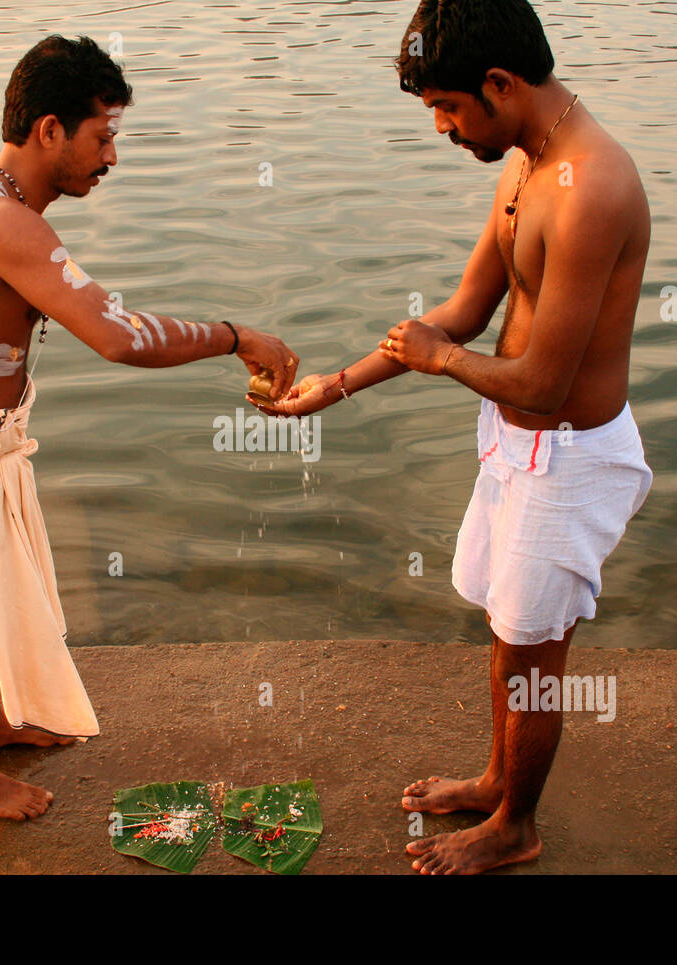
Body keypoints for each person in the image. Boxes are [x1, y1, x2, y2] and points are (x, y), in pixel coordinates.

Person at [254, 0, 653, 873]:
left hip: (569, 456)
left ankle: (517, 826)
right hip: (513, 444)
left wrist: (439, 362)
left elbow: (546, 383)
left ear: (500, 85)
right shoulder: (525, 165)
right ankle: (496, 780)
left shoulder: (597, 185)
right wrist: (335, 386)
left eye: (447, 106)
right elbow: (466, 314)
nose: (441, 127)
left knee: (536, 651)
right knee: (509, 632)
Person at [0, 34, 298, 821]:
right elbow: (118, 336)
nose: (110, 158)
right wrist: (239, 336)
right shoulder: (3, 224)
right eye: (102, 137)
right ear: (49, 130)